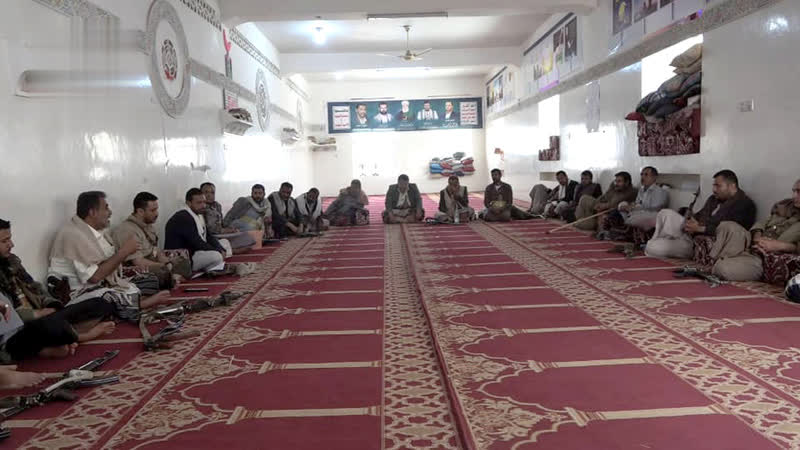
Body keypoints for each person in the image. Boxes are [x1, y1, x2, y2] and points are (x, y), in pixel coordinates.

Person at [0, 219, 116, 355]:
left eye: (10, 239)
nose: (11, 244)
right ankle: (82, 336)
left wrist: (52, 306)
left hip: (45, 317)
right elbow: (7, 319)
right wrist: (37, 314)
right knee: (48, 326)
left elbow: (35, 288)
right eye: (4, 241)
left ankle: (60, 340)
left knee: (101, 304)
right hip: (20, 329)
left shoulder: (12, 261)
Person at [48, 191, 170, 318]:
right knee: (105, 299)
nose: (110, 212)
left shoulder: (97, 232)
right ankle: (141, 304)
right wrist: (124, 252)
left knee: (151, 280)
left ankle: (131, 302)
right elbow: (95, 277)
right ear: (92, 212)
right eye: (106, 208)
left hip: (104, 284)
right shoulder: (72, 235)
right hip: (80, 293)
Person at [645, 170, 757, 259]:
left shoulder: (744, 205)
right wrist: (691, 221)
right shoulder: (714, 199)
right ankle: (663, 240)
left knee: (652, 247)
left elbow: (731, 232)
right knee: (665, 213)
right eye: (714, 185)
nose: (714, 189)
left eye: (718, 186)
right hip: (689, 233)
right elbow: (699, 215)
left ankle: (661, 243)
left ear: (732, 186)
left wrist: (700, 228)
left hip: (695, 244)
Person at [711, 180, 800, 281]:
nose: (794, 196)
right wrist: (757, 236)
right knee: (727, 225)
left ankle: (723, 264)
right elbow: (762, 223)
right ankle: (722, 260)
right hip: (750, 243)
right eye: (794, 191)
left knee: (722, 269)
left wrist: (782, 246)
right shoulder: (785, 207)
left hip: (760, 258)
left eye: (799, 192)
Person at [111, 192, 192, 288]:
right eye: (153, 210)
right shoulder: (126, 230)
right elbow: (138, 262)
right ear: (140, 211)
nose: (156, 213)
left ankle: (173, 278)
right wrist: (163, 266)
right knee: (162, 270)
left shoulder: (148, 226)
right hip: (141, 268)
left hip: (155, 263)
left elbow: (156, 251)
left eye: (156, 209)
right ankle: (173, 278)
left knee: (183, 262)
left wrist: (169, 261)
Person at [165, 188, 227, 273]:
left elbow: (208, 236)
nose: (203, 206)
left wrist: (220, 249)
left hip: (196, 251)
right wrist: (218, 251)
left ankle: (211, 267)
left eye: (204, 202)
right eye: (199, 203)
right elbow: (196, 242)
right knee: (216, 256)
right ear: (188, 203)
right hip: (184, 257)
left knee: (225, 243)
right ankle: (210, 268)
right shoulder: (183, 217)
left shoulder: (198, 213)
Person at [600, 166, 669, 239]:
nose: (642, 177)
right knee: (622, 206)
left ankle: (621, 232)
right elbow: (637, 203)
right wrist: (630, 206)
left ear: (654, 177)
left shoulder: (660, 191)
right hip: (636, 213)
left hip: (649, 216)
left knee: (636, 217)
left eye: (646, 175)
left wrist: (635, 208)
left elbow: (655, 209)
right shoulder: (641, 190)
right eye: (641, 174)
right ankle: (618, 231)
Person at [199, 182, 256, 253]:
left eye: (212, 193)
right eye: (206, 192)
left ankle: (229, 248)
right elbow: (210, 229)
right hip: (211, 236)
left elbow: (221, 223)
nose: (209, 195)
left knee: (245, 235)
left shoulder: (217, 205)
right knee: (221, 241)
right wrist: (224, 230)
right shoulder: (201, 207)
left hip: (221, 234)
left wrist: (230, 229)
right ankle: (232, 250)